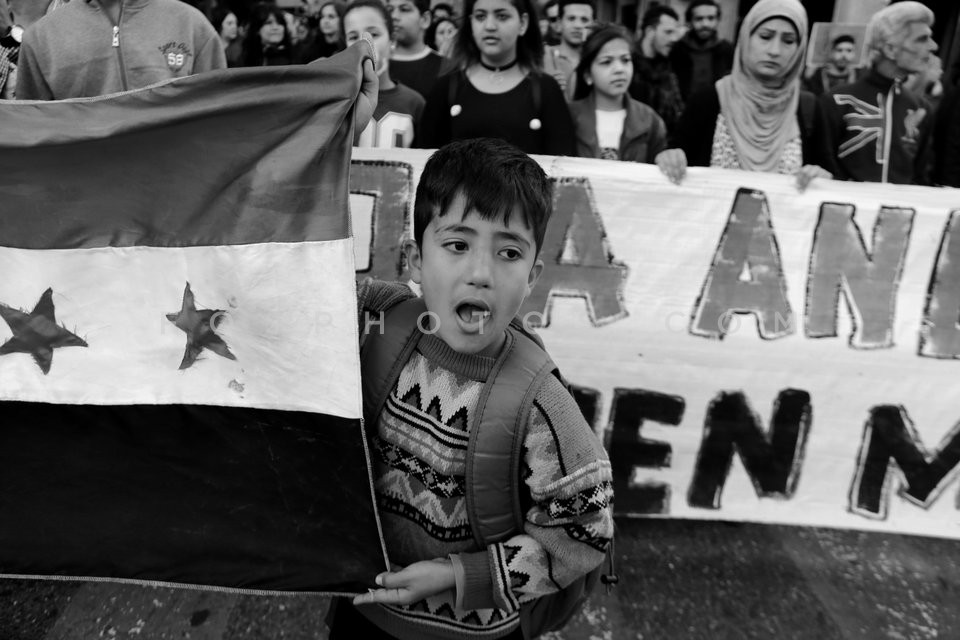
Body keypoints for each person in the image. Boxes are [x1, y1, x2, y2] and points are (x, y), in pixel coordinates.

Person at [328, 137, 614, 640]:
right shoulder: (370, 319)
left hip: (475, 631)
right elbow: (285, 279)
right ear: (415, 260)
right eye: (457, 245)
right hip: (362, 609)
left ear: (533, 277)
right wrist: (334, 131)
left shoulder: (543, 406)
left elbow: (583, 535)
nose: (481, 273)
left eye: (508, 253)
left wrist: (462, 577)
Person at [655, 0, 830, 192]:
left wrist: (821, 176)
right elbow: (675, 157)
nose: (774, 50)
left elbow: (828, 175)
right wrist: (669, 158)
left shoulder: (808, 108)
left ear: (800, 48)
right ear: (747, 37)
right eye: (765, 36)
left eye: (788, 41)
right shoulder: (709, 100)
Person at [415, 0, 576, 155]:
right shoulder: (446, 87)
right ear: (471, 23)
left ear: (523, 23)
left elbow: (562, 166)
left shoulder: (546, 88)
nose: (489, 26)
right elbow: (423, 161)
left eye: (502, 16)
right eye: (480, 16)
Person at [815, 1, 937, 184]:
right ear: (890, 49)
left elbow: (920, 180)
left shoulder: (920, 107)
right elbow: (823, 171)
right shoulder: (836, 101)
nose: (933, 46)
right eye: (921, 39)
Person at [15, 0, 226, 100]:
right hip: (81, 183)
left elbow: (222, 122)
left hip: (178, 182)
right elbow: (32, 133)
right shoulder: (41, 38)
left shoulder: (192, 26)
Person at [570, 23, 667, 162]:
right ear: (587, 75)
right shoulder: (568, 117)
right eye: (606, 62)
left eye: (625, 60)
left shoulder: (650, 120)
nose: (619, 69)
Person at [346, 0, 425, 148]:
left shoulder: (415, 103)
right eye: (353, 37)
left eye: (374, 34)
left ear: (392, 40)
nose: (364, 44)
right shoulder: (338, 101)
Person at [628, 5, 684, 135]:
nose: (674, 39)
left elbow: (677, 112)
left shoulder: (668, 66)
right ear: (650, 31)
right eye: (668, 32)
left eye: (675, 33)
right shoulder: (627, 64)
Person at [669, 0, 733, 100]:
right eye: (699, 19)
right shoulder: (677, 50)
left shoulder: (727, 50)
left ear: (717, 20)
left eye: (711, 18)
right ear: (689, 21)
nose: (705, 24)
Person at [388, 0, 445, 99]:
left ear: (425, 19)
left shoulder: (446, 68)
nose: (394, 16)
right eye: (390, 10)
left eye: (404, 9)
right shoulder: (376, 64)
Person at [542, 0, 593, 98]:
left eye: (584, 20)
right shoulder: (542, 57)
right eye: (571, 18)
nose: (578, 25)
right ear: (560, 23)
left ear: (592, 25)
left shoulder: (598, 60)